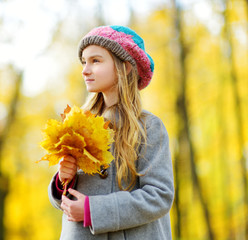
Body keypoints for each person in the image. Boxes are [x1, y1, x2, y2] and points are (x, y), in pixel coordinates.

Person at [48, 25, 174, 239]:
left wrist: (93, 210)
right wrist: (62, 181)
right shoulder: (78, 126)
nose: (85, 70)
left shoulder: (148, 127)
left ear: (124, 67)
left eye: (96, 61)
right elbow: (66, 201)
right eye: (84, 62)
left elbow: (159, 196)